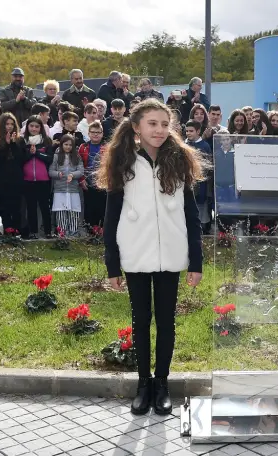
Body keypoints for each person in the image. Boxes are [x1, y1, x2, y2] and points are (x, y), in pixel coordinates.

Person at [99, 99, 204, 416]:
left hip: (171, 254)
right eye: (152, 124)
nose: (159, 130)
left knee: (166, 321)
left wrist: (195, 261)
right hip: (136, 252)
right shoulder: (123, 162)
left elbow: (191, 214)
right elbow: (111, 216)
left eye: (164, 124)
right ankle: (143, 384)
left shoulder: (179, 160)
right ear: (136, 127)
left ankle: (162, 383)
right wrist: (112, 263)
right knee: (141, 320)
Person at [18, 115, 53, 239]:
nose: (34, 129)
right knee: (31, 207)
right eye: (31, 126)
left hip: (43, 180)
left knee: (44, 206)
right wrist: (29, 154)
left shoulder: (47, 141)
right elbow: (20, 160)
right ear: (27, 127)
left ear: (40, 128)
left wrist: (36, 153)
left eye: (37, 126)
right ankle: (33, 232)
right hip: (28, 180)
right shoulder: (22, 141)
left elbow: (49, 159)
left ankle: (48, 231)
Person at [0, 113, 23, 233]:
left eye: (12, 124)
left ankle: (17, 229)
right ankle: (7, 228)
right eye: (7, 124)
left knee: (16, 205)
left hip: (16, 178)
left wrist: (14, 144)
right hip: (2, 179)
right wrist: (6, 145)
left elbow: (21, 159)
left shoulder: (20, 140)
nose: (9, 126)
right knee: (4, 206)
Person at [49, 134, 84, 236]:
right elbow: (51, 171)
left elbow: (81, 170)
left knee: (73, 211)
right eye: (66, 144)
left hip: (73, 189)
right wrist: (58, 174)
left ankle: (73, 232)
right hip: (60, 190)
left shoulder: (77, 156)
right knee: (61, 212)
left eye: (70, 145)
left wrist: (73, 175)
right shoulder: (56, 156)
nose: (68, 147)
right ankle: (62, 232)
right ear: (61, 144)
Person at [184, 120, 213, 234]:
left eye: (191, 131)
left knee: (202, 207)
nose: (188, 133)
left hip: (201, 183)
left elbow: (208, 167)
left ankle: (203, 228)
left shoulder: (204, 146)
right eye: (186, 131)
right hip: (187, 182)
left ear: (198, 131)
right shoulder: (184, 144)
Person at [78, 121, 106, 228]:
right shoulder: (83, 147)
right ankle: (90, 230)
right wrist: (81, 179)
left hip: (102, 181)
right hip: (87, 181)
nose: (95, 134)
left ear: (102, 134)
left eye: (98, 132)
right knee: (89, 206)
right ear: (88, 133)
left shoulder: (107, 147)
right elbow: (79, 164)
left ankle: (101, 230)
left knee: (102, 206)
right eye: (93, 132)